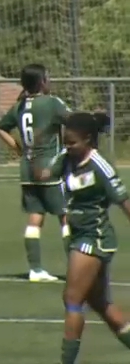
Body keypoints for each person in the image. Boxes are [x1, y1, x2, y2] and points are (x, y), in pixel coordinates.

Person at [29, 112, 130, 364]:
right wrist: (39, 141)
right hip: (78, 237)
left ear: (88, 139)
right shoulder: (65, 159)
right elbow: (41, 175)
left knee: (72, 299)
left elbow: (124, 202)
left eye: (72, 143)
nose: (68, 147)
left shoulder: (101, 166)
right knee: (101, 304)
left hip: (94, 238)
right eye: (65, 142)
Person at [0, 63, 71, 282]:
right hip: (50, 169)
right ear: (42, 82)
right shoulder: (52, 103)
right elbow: (74, 121)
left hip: (28, 170)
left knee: (35, 218)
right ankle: (77, 269)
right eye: (48, 77)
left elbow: (0, 127)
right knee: (67, 217)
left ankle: (35, 269)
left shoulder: (19, 106)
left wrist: (18, 148)